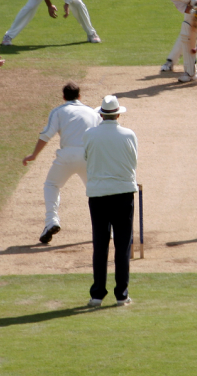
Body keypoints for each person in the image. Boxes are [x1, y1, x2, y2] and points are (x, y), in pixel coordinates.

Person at [22, 82, 101, 244]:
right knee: (96, 192)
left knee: (52, 184)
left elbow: (46, 135)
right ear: (79, 96)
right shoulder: (93, 113)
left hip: (67, 156)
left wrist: (34, 155)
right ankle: (108, 230)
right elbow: (100, 135)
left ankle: (51, 221)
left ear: (64, 97)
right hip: (89, 156)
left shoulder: (58, 111)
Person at [83, 95, 138, 307]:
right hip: (123, 193)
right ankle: (121, 295)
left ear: (101, 114)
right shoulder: (128, 134)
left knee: (100, 243)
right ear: (117, 114)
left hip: (98, 194)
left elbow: (87, 158)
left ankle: (97, 294)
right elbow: (133, 162)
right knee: (122, 245)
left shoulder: (90, 135)